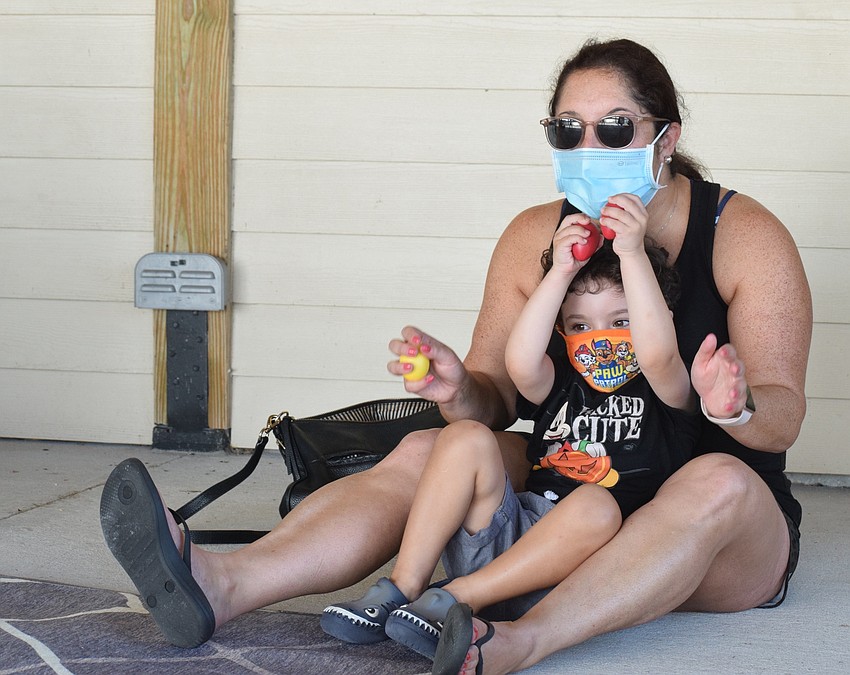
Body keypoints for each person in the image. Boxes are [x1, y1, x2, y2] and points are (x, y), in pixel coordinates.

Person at [99, 37, 810, 674]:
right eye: (569, 129)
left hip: (711, 530)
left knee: (718, 479)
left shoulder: (743, 235)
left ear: (665, 137)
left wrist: (735, 405)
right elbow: (498, 395)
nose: (590, 145)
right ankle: (225, 585)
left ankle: (518, 641)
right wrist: (456, 386)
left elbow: (781, 418)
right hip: (568, 496)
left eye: (616, 127)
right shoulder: (538, 236)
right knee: (430, 448)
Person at [320, 221, 701, 661]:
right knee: (464, 435)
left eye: (621, 321)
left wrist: (631, 252)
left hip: (581, 570)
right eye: (581, 325)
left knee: (597, 504)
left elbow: (657, 352)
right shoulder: (561, 383)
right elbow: (519, 359)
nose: (599, 339)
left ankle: (457, 599)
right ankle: (403, 589)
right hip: (508, 536)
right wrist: (560, 271)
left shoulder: (668, 389)